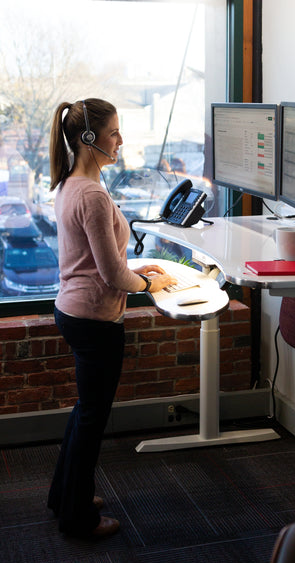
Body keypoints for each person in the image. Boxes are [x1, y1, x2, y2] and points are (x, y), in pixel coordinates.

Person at [47, 98, 176, 538]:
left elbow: (95, 260)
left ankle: (64, 494)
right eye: (114, 132)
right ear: (89, 139)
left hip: (73, 310)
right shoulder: (93, 194)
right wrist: (148, 285)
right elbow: (110, 274)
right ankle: (77, 518)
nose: (121, 140)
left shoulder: (69, 184)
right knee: (91, 419)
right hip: (95, 321)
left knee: (84, 411)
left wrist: (135, 271)